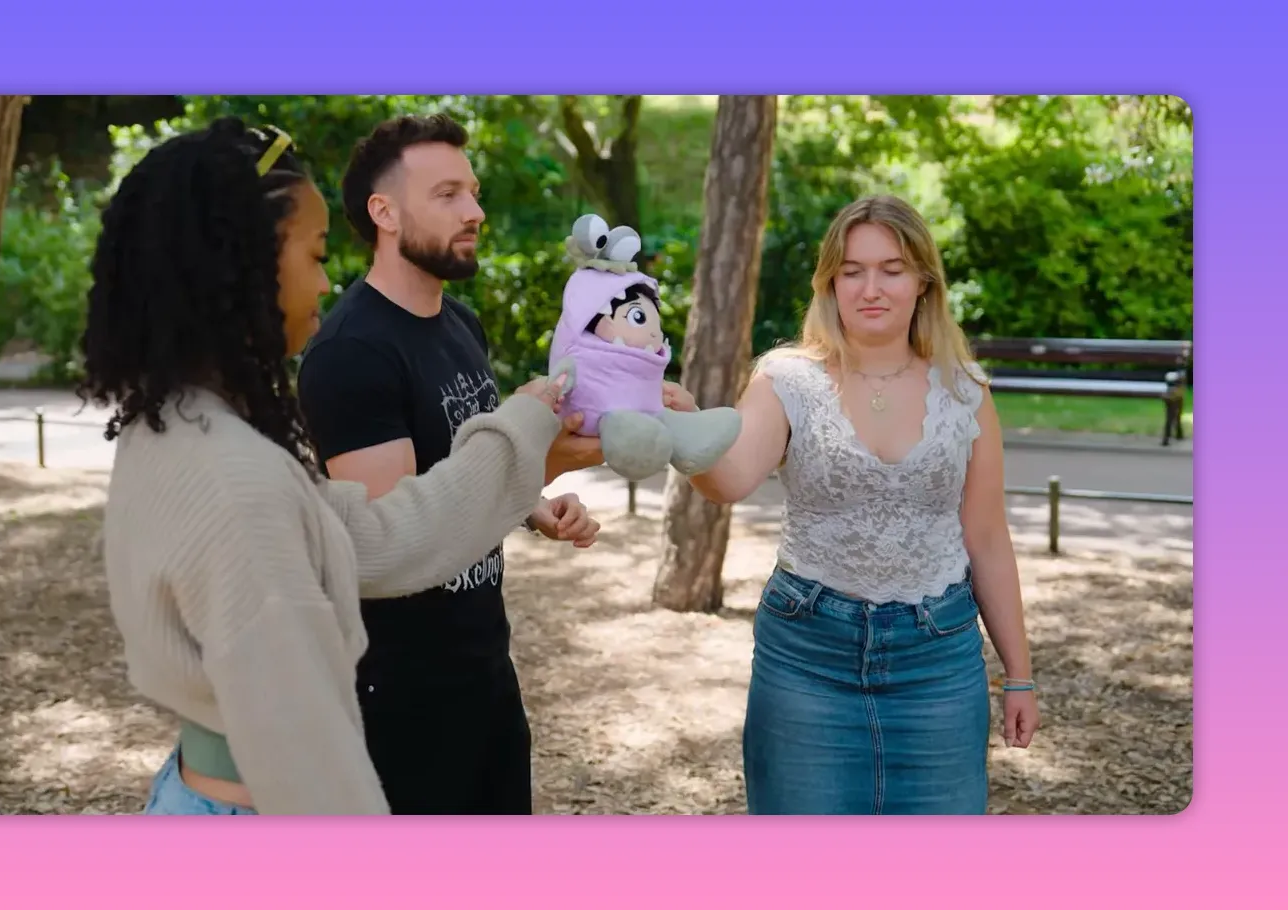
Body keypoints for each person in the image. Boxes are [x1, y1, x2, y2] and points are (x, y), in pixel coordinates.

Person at [80, 116, 573, 816]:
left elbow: (378, 539)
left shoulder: (183, 425)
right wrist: (527, 434)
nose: (325, 279)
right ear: (246, 263)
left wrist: (527, 436)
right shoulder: (234, 475)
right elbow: (312, 766)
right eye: (313, 255)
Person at [686, 195, 1041, 815]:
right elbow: (729, 480)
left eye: (892, 268)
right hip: (807, 656)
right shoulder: (787, 380)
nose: (871, 287)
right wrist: (681, 431)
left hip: (937, 661)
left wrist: (1019, 675)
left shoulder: (965, 392)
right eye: (852, 270)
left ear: (923, 281)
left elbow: (986, 539)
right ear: (830, 282)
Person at [295, 114, 605, 815]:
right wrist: (537, 457)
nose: (476, 211)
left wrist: (534, 503)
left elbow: (465, 467)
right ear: (385, 213)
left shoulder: (461, 325)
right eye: (447, 195)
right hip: (400, 699)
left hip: (484, 671)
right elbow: (398, 541)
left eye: (473, 191)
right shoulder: (353, 353)